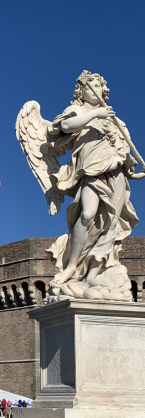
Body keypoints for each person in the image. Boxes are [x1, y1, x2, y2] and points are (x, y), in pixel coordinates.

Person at [47, 71, 145, 294]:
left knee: (110, 223)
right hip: (91, 168)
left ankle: (93, 272)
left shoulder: (115, 120)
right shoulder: (77, 110)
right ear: (82, 91)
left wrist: (133, 171)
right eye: (90, 87)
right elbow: (66, 126)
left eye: (98, 86)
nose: (95, 90)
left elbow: (123, 150)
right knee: (88, 214)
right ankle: (72, 266)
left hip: (116, 172)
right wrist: (95, 114)